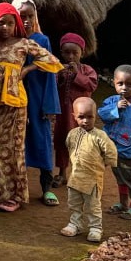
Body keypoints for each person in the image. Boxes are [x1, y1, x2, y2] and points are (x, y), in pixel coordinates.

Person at [0, 3, 63, 212]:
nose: (5, 27)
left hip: (17, 103)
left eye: (10, 23)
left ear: (16, 24)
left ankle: (15, 196)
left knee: (14, 149)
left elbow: (53, 61)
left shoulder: (24, 43)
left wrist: (28, 69)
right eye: (1, 23)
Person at [11, 0, 61, 206]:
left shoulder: (42, 40)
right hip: (15, 99)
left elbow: (50, 67)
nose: (27, 21)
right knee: (15, 144)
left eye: (30, 16)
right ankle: (14, 190)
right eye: (22, 17)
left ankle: (47, 189)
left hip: (37, 99)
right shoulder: (10, 41)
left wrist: (29, 69)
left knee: (42, 143)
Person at [98, 64, 131, 220]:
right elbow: (102, 114)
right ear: (113, 83)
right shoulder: (111, 101)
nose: (124, 88)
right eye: (120, 84)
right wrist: (115, 108)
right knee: (120, 177)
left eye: (129, 84)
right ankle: (123, 204)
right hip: (113, 149)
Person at [60, 98, 117, 243]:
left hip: (93, 179)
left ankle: (95, 228)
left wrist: (103, 165)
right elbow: (69, 146)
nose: (85, 120)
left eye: (89, 117)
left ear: (95, 116)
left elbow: (111, 152)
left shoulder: (100, 136)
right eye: (81, 117)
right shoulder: (72, 134)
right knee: (74, 203)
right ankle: (75, 224)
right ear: (74, 116)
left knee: (93, 205)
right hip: (75, 178)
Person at [52, 34, 99, 188]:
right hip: (63, 115)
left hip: (81, 117)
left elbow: (91, 85)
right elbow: (52, 85)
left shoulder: (87, 70)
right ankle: (62, 174)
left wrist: (76, 75)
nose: (71, 56)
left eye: (75, 53)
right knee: (62, 143)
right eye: (67, 53)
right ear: (61, 52)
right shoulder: (58, 68)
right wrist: (60, 74)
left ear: (82, 53)